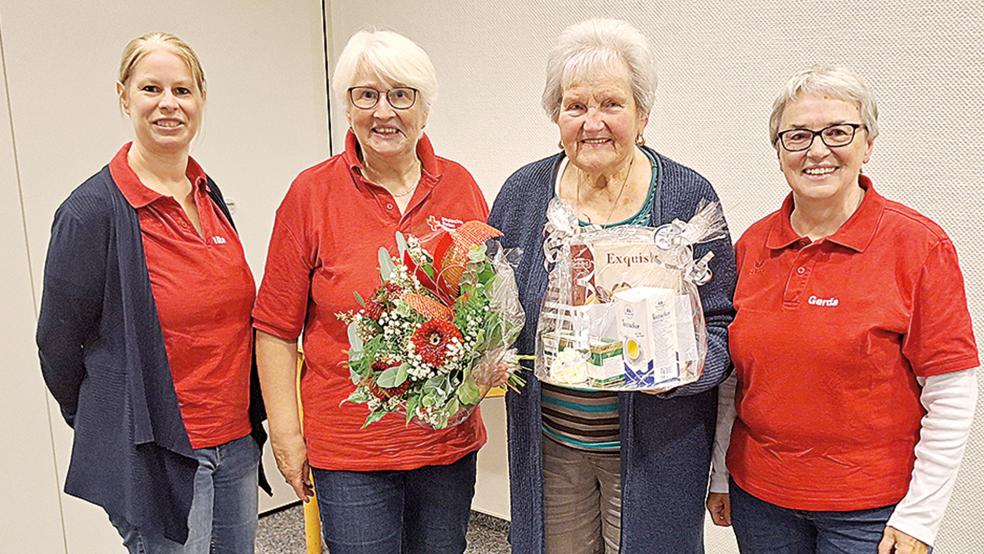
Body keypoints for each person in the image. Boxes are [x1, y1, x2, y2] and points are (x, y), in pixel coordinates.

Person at [706, 65, 979, 554]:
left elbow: (952, 390)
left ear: (868, 143)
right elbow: (732, 380)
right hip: (760, 499)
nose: (817, 150)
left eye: (837, 131)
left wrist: (921, 517)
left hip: (871, 513)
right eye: (798, 135)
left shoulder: (918, 245)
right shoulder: (751, 246)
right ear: (779, 150)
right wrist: (721, 473)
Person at [488, 19, 737, 554]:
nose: (592, 122)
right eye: (575, 106)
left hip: (658, 448)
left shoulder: (687, 196)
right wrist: (484, 356)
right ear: (556, 116)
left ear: (643, 115)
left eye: (611, 104)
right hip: (551, 446)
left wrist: (682, 371)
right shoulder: (524, 194)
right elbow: (496, 306)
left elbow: (721, 322)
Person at [253, 29, 495, 554]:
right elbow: (274, 328)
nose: (383, 112)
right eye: (366, 95)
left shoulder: (460, 186)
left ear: (425, 107)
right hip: (350, 451)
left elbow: (485, 305)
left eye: (400, 95)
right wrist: (286, 436)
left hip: (445, 445)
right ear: (347, 106)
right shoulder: (310, 194)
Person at [36, 32, 269, 553]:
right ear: (124, 97)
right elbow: (57, 345)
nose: (169, 104)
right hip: (159, 452)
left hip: (234, 442)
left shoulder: (209, 195)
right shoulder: (91, 213)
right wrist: (112, 423)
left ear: (201, 99)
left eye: (183, 90)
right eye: (151, 89)